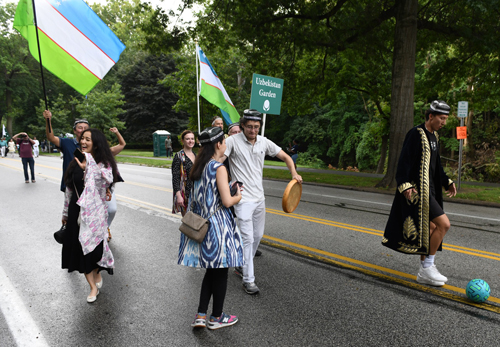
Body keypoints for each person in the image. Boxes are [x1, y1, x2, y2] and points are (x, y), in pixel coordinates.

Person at [224, 109, 303, 294]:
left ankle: (243, 264)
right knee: (248, 239)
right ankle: (248, 280)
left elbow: (285, 157)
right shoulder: (232, 142)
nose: (253, 130)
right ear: (242, 125)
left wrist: (294, 173)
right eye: (249, 127)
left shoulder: (263, 142)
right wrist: (226, 183)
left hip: (260, 198)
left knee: (258, 236)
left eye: (256, 127)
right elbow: (217, 160)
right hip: (242, 199)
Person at [382, 100, 457, 287]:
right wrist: (405, 185)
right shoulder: (416, 134)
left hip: (432, 190)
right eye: (441, 118)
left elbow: (436, 166)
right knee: (444, 225)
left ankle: (425, 270)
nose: (444, 122)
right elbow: (403, 162)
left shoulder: (435, 137)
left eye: (446, 119)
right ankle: (428, 267)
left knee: (431, 229)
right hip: (419, 191)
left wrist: (447, 181)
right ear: (430, 116)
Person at [178, 126, 244, 330]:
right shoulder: (219, 168)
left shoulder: (198, 167)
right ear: (218, 144)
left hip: (202, 227)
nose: (225, 145)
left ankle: (200, 315)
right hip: (219, 228)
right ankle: (216, 317)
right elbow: (226, 201)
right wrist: (238, 194)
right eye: (224, 141)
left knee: (210, 272)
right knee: (221, 273)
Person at [61, 128, 120, 303]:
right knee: (81, 249)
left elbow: (107, 180)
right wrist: (65, 212)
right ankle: (92, 287)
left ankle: (96, 272)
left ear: (96, 143)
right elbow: (69, 189)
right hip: (76, 211)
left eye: (88, 139)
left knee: (95, 249)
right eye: (82, 139)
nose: (84, 142)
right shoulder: (76, 161)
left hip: (95, 214)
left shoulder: (104, 164)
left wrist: (89, 166)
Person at [44, 110, 90, 192]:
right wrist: (48, 121)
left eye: (85, 128)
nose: (83, 130)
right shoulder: (66, 142)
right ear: (74, 131)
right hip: (70, 186)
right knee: (71, 205)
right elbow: (51, 138)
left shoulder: (92, 145)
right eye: (80, 128)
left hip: (88, 185)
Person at [107, 127, 127, 242]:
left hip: (109, 188)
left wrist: (117, 132)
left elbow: (122, 144)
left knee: (112, 209)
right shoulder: (89, 154)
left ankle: (106, 227)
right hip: (94, 190)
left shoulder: (109, 152)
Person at [172, 130, 196, 217]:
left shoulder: (195, 155)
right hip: (185, 194)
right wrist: (178, 195)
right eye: (187, 139)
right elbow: (175, 177)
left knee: (197, 223)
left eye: (192, 139)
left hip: (196, 192)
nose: (190, 141)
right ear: (182, 141)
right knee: (188, 222)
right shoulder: (179, 156)